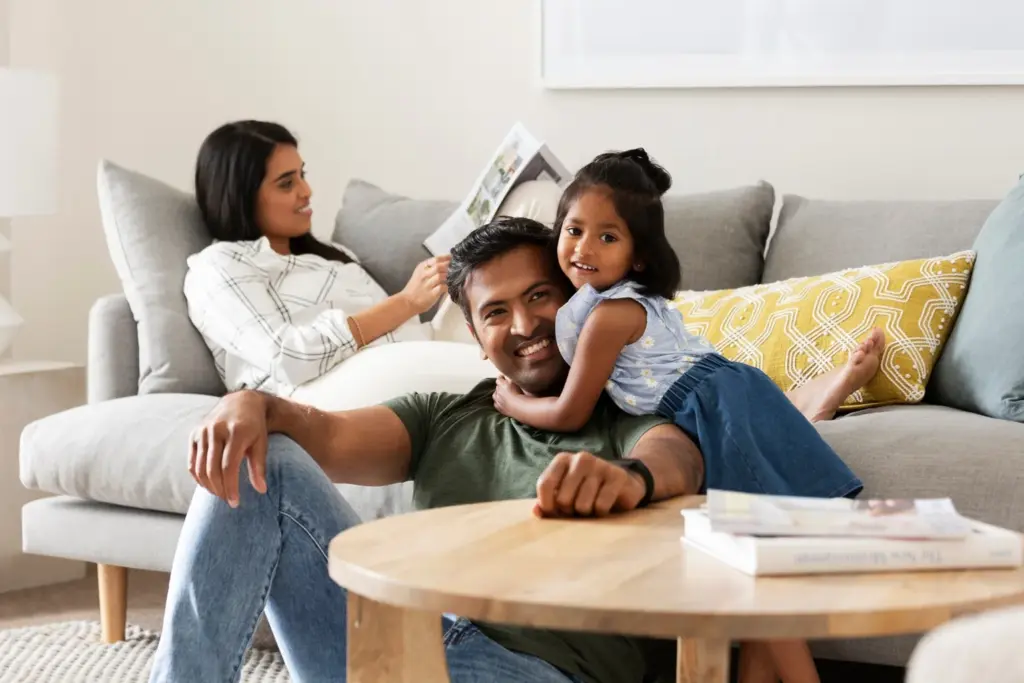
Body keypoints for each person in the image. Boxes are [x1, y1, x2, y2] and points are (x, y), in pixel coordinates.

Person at [489, 150, 878, 683]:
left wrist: (514, 402)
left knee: (760, 574)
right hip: (731, 394)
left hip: (717, 410)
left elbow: (571, 411)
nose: (582, 248)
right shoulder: (609, 303)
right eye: (574, 229)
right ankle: (811, 402)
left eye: (607, 237)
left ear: (639, 256)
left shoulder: (607, 317)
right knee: (762, 570)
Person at [184, 120, 450, 396]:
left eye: (302, 175)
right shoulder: (218, 265)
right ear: (241, 196)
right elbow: (287, 358)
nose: (306, 191)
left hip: (412, 354)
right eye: (287, 183)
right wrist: (406, 302)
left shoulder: (333, 255)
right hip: (344, 389)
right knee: (490, 374)